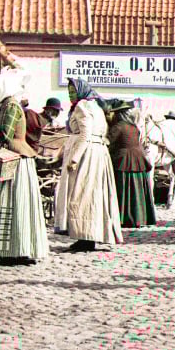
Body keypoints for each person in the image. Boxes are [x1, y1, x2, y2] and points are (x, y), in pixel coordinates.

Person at [0, 67, 49, 262]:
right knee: (0, 202)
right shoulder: (4, 106)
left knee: (14, 204)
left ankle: (17, 249)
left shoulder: (11, 107)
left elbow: (5, 135)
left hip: (16, 159)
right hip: (5, 157)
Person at [54, 77, 123, 251]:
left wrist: (75, 158)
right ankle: (90, 234)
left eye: (73, 92)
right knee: (93, 195)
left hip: (87, 155)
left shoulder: (82, 106)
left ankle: (85, 236)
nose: (70, 95)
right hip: (98, 152)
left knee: (81, 193)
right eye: (69, 92)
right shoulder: (96, 107)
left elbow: (85, 134)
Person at [105, 100, 157, 228]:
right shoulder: (133, 126)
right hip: (138, 159)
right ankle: (140, 218)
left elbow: (109, 142)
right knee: (137, 190)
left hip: (124, 160)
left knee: (123, 189)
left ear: (118, 114)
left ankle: (125, 218)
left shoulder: (118, 127)